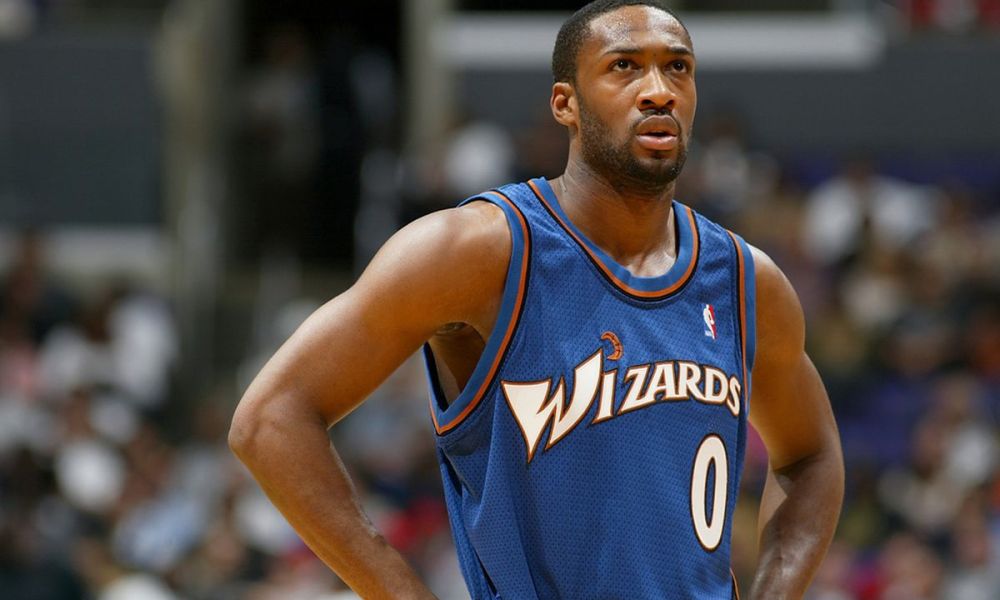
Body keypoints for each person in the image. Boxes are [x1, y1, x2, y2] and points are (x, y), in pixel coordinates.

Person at [228, 1, 845, 598]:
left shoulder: (745, 280)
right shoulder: (474, 251)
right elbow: (270, 420)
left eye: (676, 67)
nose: (658, 91)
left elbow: (811, 456)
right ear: (565, 104)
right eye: (624, 67)